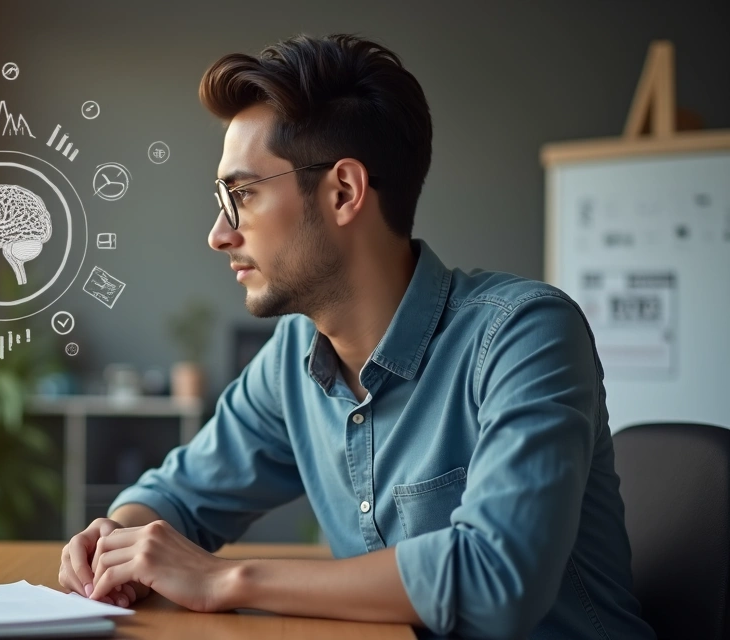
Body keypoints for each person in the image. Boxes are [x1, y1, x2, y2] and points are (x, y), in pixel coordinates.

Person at [58, 34, 655, 639]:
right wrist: (116, 540)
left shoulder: (525, 334)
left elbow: (498, 577)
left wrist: (224, 579)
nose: (218, 233)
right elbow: (179, 497)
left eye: (242, 194)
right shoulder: (292, 358)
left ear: (343, 192)